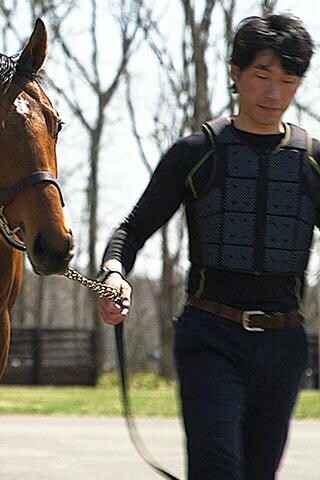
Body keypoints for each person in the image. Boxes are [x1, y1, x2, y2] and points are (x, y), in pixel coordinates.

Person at [97, 13, 318, 480]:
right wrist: (114, 272)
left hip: (284, 345)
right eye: (261, 75)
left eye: (288, 79)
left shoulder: (312, 161)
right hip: (211, 337)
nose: (273, 92)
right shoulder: (197, 151)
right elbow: (131, 230)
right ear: (235, 74)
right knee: (217, 469)